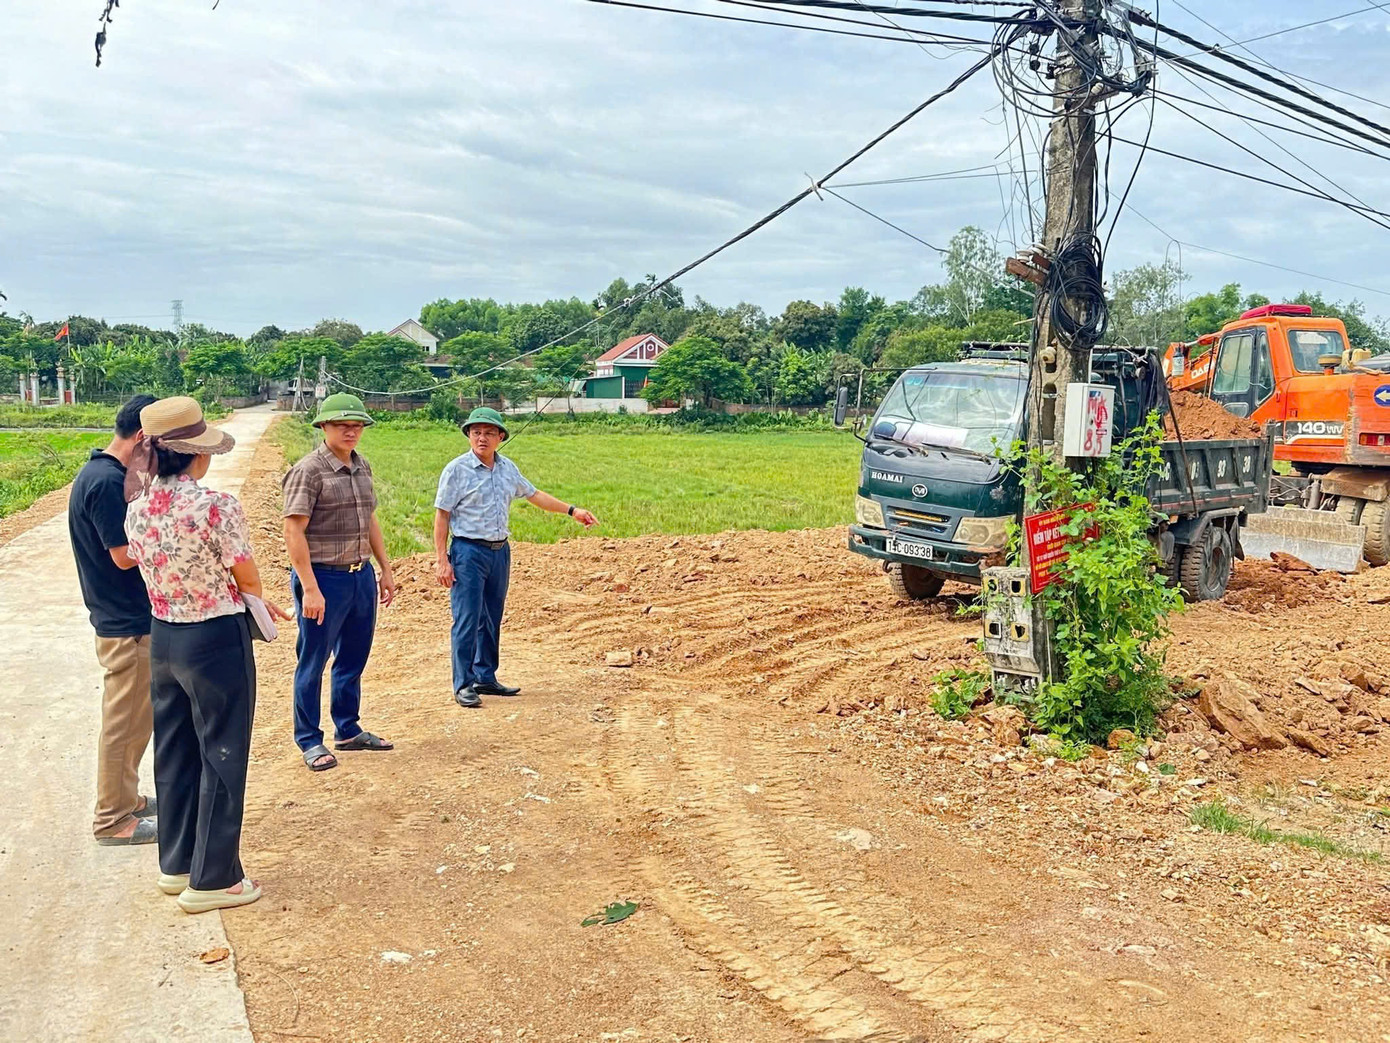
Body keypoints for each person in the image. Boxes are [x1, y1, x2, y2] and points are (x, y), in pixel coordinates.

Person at [124, 396, 290, 913]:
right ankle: (215, 877)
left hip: (165, 635)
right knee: (222, 750)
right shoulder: (215, 507)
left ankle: (177, 865)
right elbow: (245, 573)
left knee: (174, 749)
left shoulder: (136, 510)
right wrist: (264, 604)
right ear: (197, 454)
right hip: (213, 636)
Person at [433, 407, 597, 708]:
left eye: (489, 432)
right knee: (467, 618)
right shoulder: (456, 470)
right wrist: (442, 560)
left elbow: (534, 495)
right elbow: (442, 515)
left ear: (501, 437)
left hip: (499, 552)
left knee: (491, 617)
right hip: (468, 552)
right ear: (469, 435)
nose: (482, 438)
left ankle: (485, 676)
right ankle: (463, 684)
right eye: (476, 432)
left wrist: (572, 511)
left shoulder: (508, 468)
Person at [282, 392, 398, 771]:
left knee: (352, 657)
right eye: (342, 424)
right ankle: (309, 740)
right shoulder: (309, 471)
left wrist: (384, 568)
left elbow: (371, 520)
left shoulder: (362, 466)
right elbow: (293, 531)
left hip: (358, 575)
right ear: (324, 427)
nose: (351, 431)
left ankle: (347, 729)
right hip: (323, 579)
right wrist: (309, 587)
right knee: (313, 660)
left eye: (357, 425)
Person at [68, 394, 160, 846]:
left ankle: (128, 798)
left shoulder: (104, 473)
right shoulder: (105, 481)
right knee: (123, 723)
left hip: (125, 618)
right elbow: (123, 557)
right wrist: (173, 536)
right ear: (143, 437)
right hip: (125, 623)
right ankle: (112, 819)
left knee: (136, 721)